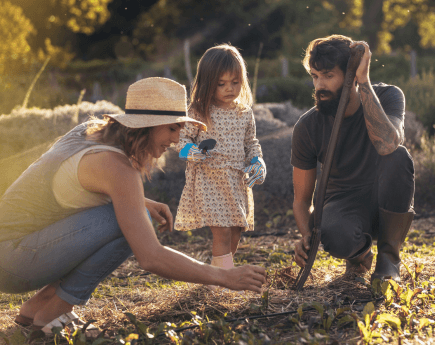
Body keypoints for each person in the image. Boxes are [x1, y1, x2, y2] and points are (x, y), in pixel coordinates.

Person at [0, 77, 266, 337]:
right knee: (127, 225)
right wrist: (223, 277)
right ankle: (54, 313)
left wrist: (142, 201)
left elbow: (68, 183)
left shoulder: (89, 132)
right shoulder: (117, 169)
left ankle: (37, 307)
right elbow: (151, 256)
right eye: (172, 128)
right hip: (13, 261)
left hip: (12, 250)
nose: (177, 139)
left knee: (129, 215)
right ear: (147, 126)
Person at [292, 35, 415, 282]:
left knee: (399, 156)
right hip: (343, 202)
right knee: (335, 234)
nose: (319, 86)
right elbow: (302, 199)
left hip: (385, 197)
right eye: (315, 76)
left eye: (328, 75)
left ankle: (388, 259)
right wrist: (307, 235)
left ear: (351, 74)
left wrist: (363, 81)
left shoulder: (389, 96)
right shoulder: (308, 126)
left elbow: (388, 144)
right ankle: (359, 256)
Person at [174, 44, 266, 278]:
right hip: (210, 179)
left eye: (235, 82)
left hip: (236, 180)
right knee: (222, 233)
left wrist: (257, 161)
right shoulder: (198, 110)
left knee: (235, 232)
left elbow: (251, 142)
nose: (229, 89)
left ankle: (219, 276)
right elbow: (180, 140)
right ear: (207, 82)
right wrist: (192, 151)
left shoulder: (244, 112)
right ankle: (222, 284)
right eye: (221, 84)